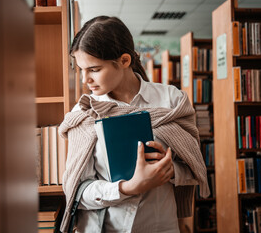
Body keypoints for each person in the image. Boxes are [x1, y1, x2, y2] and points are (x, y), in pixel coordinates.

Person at [58, 16, 210, 233]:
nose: (85, 80)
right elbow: (77, 193)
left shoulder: (172, 101)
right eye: (81, 69)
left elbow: (194, 165)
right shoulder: (84, 113)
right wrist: (128, 188)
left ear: (124, 61)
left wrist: (171, 170)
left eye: (94, 69)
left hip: (159, 226)